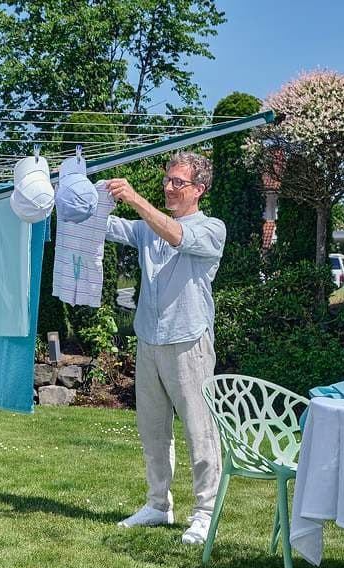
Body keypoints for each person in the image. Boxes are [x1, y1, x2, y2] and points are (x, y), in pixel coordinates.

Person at [105, 152, 225, 545]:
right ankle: (158, 505)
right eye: (168, 180)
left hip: (188, 341)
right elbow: (107, 226)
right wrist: (65, 199)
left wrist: (136, 199)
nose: (169, 187)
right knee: (153, 431)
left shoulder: (211, 229)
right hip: (149, 341)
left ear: (198, 190)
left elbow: (177, 235)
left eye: (178, 182)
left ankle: (205, 513)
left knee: (199, 431)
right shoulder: (146, 229)